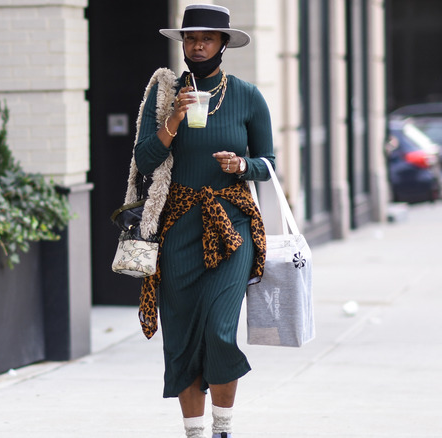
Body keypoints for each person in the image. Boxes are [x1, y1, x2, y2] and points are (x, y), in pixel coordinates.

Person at [133, 4, 275, 438]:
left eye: (208, 38)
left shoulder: (248, 96)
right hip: (177, 230)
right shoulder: (161, 96)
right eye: (191, 37)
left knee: (218, 329)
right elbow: (144, 160)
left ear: (223, 44)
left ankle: (223, 429)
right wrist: (174, 119)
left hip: (232, 228)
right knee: (181, 338)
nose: (198, 45)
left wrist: (242, 166)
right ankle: (195, 431)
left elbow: (269, 164)